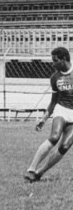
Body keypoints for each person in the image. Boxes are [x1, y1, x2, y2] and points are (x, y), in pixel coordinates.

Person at [24, 47, 73, 183]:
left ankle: (39, 173)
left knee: (64, 147)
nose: (53, 64)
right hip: (62, 110)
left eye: (55, 60)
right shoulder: (55, 77)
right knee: (54, 137)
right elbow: (53, 101)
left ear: (64, 59)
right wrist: (44, 119)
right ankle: (31, 169)